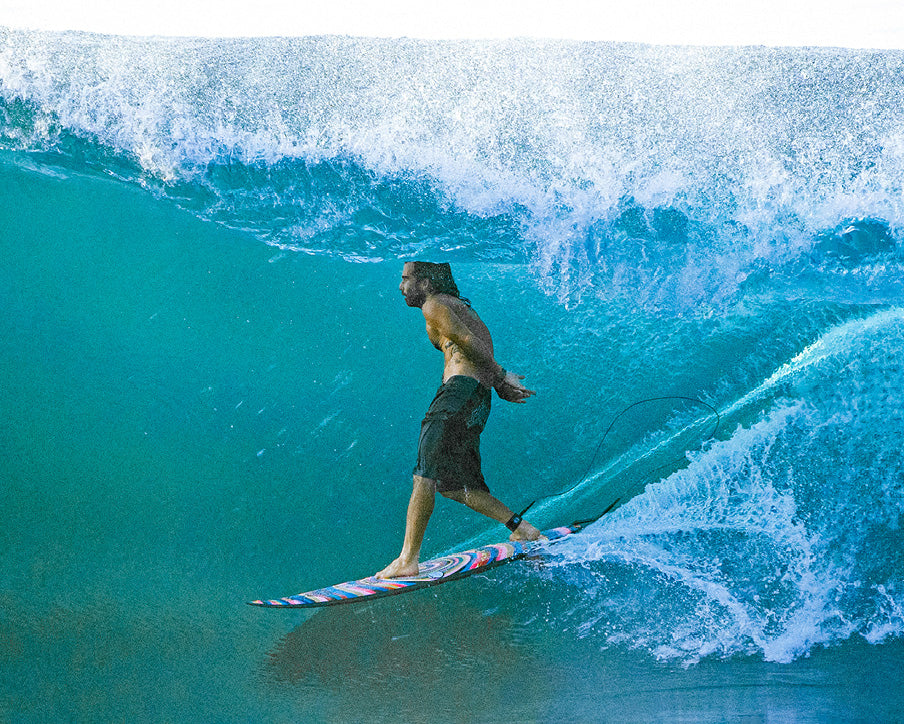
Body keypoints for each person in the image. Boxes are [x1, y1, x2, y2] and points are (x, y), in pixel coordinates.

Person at [375, 261, 542, 579]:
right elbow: (478, 348)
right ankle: (524, 529)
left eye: (405, 279)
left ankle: (408, 559)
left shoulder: (434, 304)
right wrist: (499, 383)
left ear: (425, 282)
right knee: (456, 486)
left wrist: (502, 375)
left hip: (457, 394)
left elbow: (466, 342)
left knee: (424, 473)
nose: (401, 286)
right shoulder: (461, 307)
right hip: (477, 397)